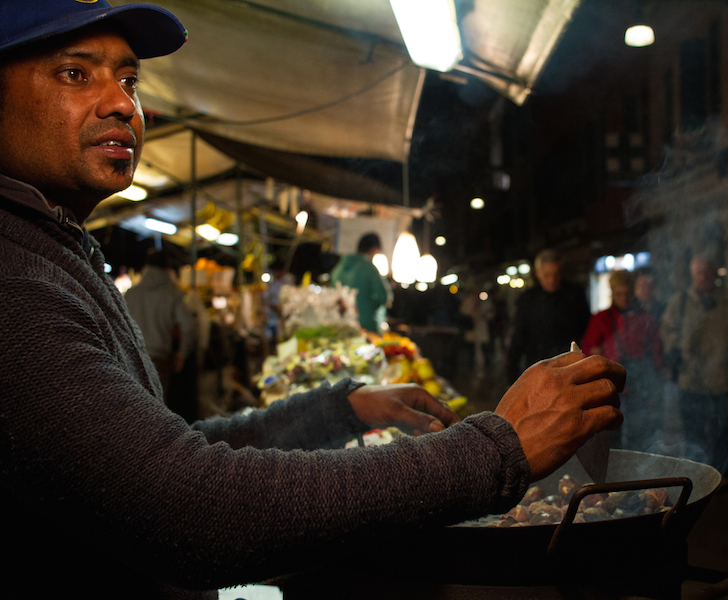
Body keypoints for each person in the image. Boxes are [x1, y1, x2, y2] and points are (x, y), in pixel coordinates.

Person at [0, 3, 624, 598]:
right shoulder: (15, 285)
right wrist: (493, 451)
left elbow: (169, 453)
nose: (123, 104)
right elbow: (190, 508)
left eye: (130, 78)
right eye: (75, 73)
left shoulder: (56, 251)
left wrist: (340, 407)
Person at [660, 255, 728, 474]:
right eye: (699, 272)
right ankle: (697, 472)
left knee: (721, 429)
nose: (704, 276)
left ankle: (721, 472)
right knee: (693, 430)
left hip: (720, 379)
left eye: (708, 271)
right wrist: (682, 343)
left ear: (715, 273)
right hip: (691, 379)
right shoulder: (681, 302)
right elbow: (667, 332)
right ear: (692, 275)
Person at [582, 270, 663, 451]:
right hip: (610, 384)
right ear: (612, 292)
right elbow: (588, 350)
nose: (624, 298)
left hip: (638, 383)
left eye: (627, 293)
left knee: (639, 431)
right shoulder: (601, 319)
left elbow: (655, 350)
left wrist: (656, 380)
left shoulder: (645, 318)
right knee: (612, 432)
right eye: (619, 294)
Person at [506, 249, 591, 383]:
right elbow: (518, 336)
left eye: (556, 274)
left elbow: (586, 329)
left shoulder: (575, 294)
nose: (552, 280)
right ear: (538, 273)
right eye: (547, 275)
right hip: (538, 366)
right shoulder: (527, 299)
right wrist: (512, 375)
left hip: (569, 366)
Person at [124, 248, 196, 404]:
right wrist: (182, 353)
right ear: (167, 268)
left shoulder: (131, 293)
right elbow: (188, 327)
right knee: (157, 409)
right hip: (158, 361)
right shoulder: (172, 293)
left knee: (133, 408)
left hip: (131, 358)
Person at [331, 231, 390, 333]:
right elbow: (383, 297)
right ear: (374, 250)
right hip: (366, 327)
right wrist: (369, 310)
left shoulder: (338, 267)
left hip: (341, 326)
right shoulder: (369, 268)